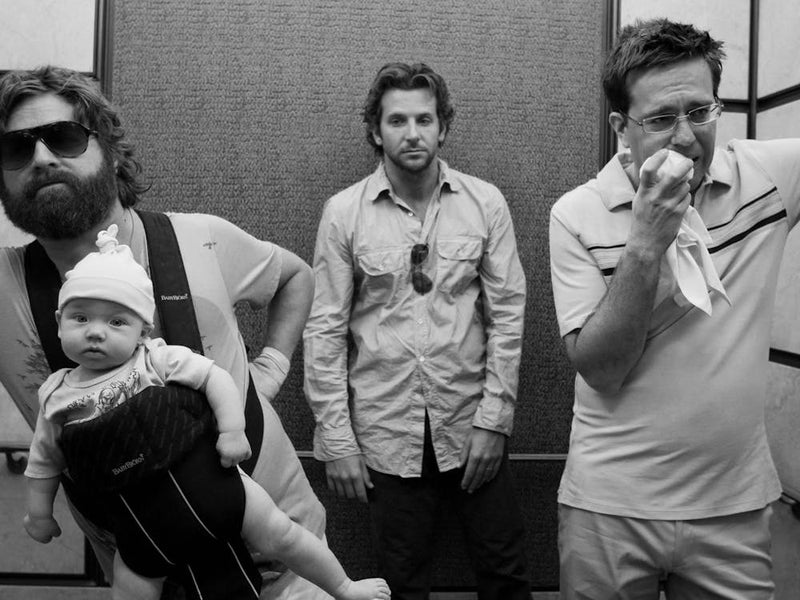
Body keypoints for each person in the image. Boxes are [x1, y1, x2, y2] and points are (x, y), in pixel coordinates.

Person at [0, 65, 330, 599]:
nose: (41, 158)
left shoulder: (200, 237)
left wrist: (268, 371)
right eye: (15, 148)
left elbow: (296, 278)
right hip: (153, 580)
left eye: (63, 137)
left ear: (109, 149)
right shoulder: (4, 287)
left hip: (294, 568)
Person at [549, 18, 800, 600]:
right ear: (621, 127)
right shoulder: (576, 214)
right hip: (609, 506)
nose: (686, 138)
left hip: (734, 505)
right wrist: (645, 241)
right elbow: (601, 368)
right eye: (661, 119)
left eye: (700, 112)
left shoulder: (765, 179)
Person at [24, 225, 390, 600]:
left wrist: (232, 431)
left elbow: (215, 378)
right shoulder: (56, 394)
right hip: (141, 524)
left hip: (215, 487)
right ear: (59, 322)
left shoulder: (156, 359)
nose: (96, 332)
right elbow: (44, 461)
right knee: (131, 585)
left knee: (283, 534)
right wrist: (39, 512)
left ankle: (344, 586)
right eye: (80, 318)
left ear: (143, 331)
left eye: (116, 322)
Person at [303, 62, 530, 600]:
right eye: (397, 120)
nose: (412, 133)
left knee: (506, 575)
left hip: (472, 422)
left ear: (443, 127)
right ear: (375, 131)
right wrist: (336, 439)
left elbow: (508, 316)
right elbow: (325, 329)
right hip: (385, 429)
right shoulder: (344, 213)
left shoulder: (485, 203)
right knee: (401, 585)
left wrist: (495, 422)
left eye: (424, 119)